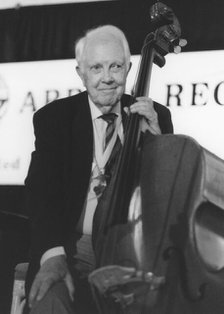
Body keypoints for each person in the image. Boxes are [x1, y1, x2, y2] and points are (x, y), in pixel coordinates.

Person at [24, 25, 173, 314]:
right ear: (80, 73)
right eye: (96, 68)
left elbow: (167, 196)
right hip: (70, 246)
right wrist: (53, 255)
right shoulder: (55, 118)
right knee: (49, 304)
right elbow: (41, 194)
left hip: (133, 252)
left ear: (129, 69)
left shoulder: (156, 116)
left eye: (115, 66)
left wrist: (156, 140)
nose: (107, 78)